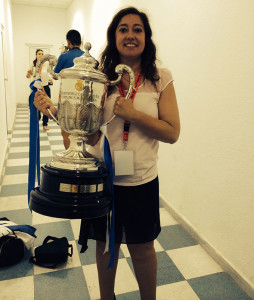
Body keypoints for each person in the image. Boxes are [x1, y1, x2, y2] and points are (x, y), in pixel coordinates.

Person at [33, 7, 180, 300]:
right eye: (123, 29)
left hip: (142, 180)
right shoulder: (100, 78)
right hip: (102, 178)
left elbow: (172, 132)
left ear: (146, 37)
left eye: (137, 29)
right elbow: (86, 134)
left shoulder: (160, 77)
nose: (130, 35)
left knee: (142, 248)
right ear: (114, 37)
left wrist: (134, 115)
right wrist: (55, 110)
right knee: (104, 244)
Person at [26, 49, 51, 131]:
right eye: (39, 54)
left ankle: (45, 124)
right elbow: (28, 75)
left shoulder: (46, 63)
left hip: (45, 86)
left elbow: (49, 73)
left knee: (47, 105)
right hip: (36, 87)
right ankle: (37, 119)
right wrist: (28, 74)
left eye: (42, 54)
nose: (41, 55)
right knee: (37, 104)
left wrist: (50, 78)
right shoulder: (33, 64)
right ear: (36, 55)